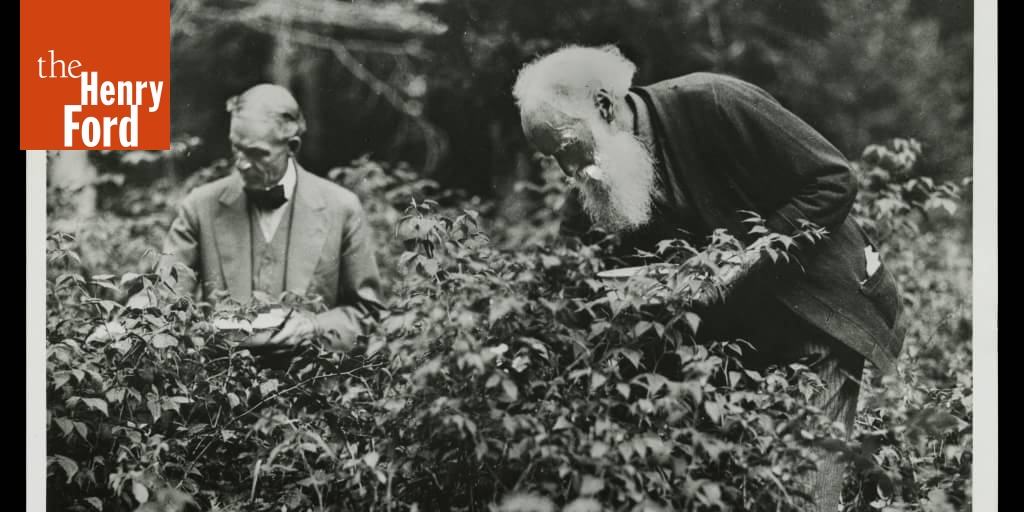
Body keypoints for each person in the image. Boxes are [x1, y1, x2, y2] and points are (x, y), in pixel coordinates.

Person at [512, 45, 906, 511]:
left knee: (805, 491)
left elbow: (834, 180)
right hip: (734, 341)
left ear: (602, 106)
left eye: (563, 146)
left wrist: (745, 259)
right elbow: (571, 273)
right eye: (551, 158)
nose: (566, 169)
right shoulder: (595, 178)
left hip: (817, 309)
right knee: (729, 487)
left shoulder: (715, 101)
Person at [156, 83, 383, 355]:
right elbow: (162, 302)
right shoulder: (200, 207)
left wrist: (313, 327)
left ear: (292, 146)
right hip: (220, 389)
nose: (241, 163)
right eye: (236, 148)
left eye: (257, 153)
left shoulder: (341, 208)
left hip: (313, 388)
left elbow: (368, 315)